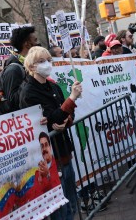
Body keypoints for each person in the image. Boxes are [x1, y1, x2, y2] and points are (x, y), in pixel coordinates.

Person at [19, 46, 82, 220]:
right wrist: (71, 99)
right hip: (50, 158)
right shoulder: (28, 93)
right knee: (59, 208)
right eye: (41, 61)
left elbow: (65, 115)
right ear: (31, 67)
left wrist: (66, 120)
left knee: (71, 199)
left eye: (48, 60)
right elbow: (50, 118)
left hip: (64, 150)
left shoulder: (53, 86)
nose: (47, 64)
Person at [0, 25, 39, 113]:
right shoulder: (13, 70)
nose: (38, 43)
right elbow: (13, 102)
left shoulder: (28, 65)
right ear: (27, 44)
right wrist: (31, 77)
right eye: (35, 40)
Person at [22, 132, 63, 202]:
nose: (44, 149)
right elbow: (36, 198)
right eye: (42, 146)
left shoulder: (56, 164)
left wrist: (47, 176)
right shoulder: (37, 172)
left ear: (50, 147)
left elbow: (58, 191)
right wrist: (40, 182)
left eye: (46, 145)